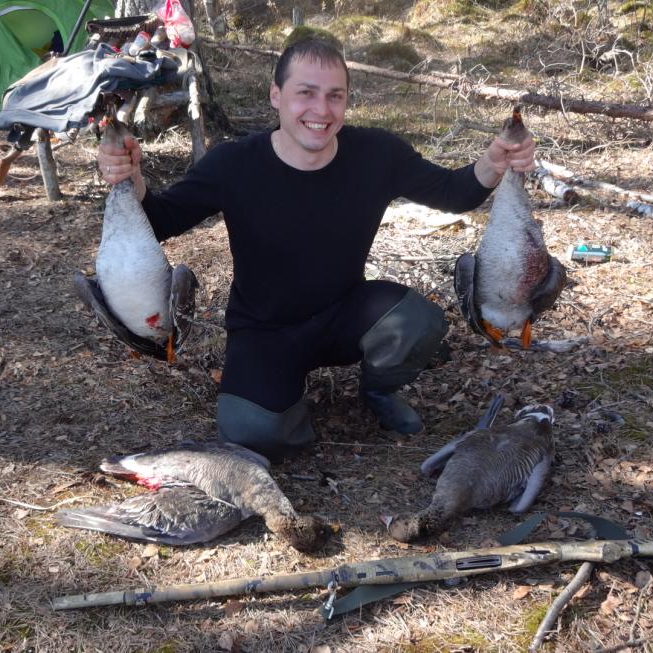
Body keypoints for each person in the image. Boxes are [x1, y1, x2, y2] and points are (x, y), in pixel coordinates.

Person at [97, 37, 536, 462]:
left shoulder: (377, 154)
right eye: (305, 93)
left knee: (419, 321)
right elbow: (162, 219)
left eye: (334, 96)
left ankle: (378, 390)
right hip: (263, 330)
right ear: (276, 95)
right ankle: (283, 404)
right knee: (253, 433)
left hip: (346, 314)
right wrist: (131, 179)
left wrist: (494, 163)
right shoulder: (234, 164)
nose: (321, 110)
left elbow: (453, 192)